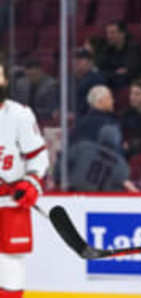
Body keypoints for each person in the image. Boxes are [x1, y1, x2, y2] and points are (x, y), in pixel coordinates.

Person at [0, 61, 49, 298]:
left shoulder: (19, 115)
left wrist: (32, 182)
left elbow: (38, 158)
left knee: (11, 267)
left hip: (10, 202)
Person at [96, 21, 141, 88]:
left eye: (112, 33)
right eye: (107, 33)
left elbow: (129, 72)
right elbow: (99, 68)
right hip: (115, 79)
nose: (109, 36)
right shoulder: (108, 49)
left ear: (122, 34)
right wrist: (115, 72)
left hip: (137, 81)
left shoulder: (133, 48)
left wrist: (111, 72)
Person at [69, 85, 123, 154]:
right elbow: (116, 153)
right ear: (100, 101)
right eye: (110, 98)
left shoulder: (79, 123)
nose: (113, 101)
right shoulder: (109, 124)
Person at [73, 48, 106, 117]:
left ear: (90, 62)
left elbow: (95, 105)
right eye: (75, 58)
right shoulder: (69, 79)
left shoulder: (96, 80)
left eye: (81, 59)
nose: (76, 61)